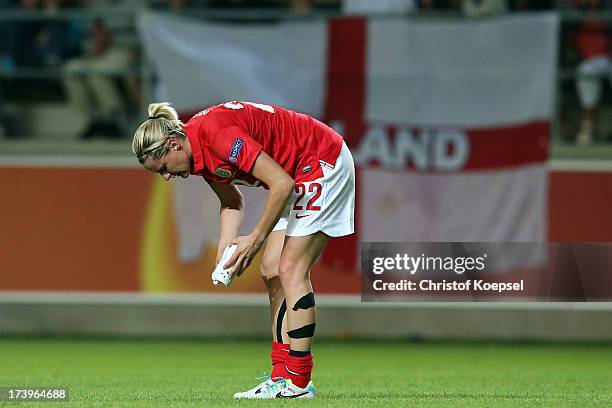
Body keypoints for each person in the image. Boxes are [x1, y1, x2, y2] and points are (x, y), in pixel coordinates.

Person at [132, 100, 355, 399]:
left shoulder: (218, 137)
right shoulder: (195, 154)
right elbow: (231, 201)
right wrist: (226, 248)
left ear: (173, 145)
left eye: (162, 169)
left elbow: (281, 183)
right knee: (271, 270)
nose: (167, 177)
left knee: (290, 268)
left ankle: (299, 382)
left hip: (321, 161)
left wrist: (255, 238)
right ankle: (281, 377)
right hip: (296, 172)